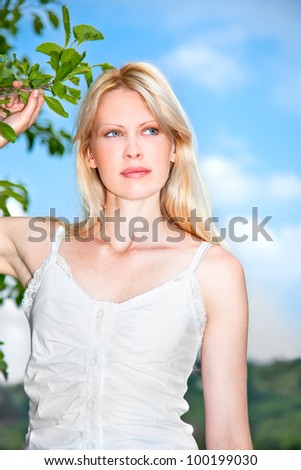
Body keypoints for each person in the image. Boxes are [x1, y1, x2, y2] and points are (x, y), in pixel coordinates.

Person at [0, 62, 253, 450]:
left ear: (174, 147)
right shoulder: (40, 246)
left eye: (150, 130)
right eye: (114, 133)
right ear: (89, 154)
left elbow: (231, 439)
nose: (133, 149)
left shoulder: (213, 271)